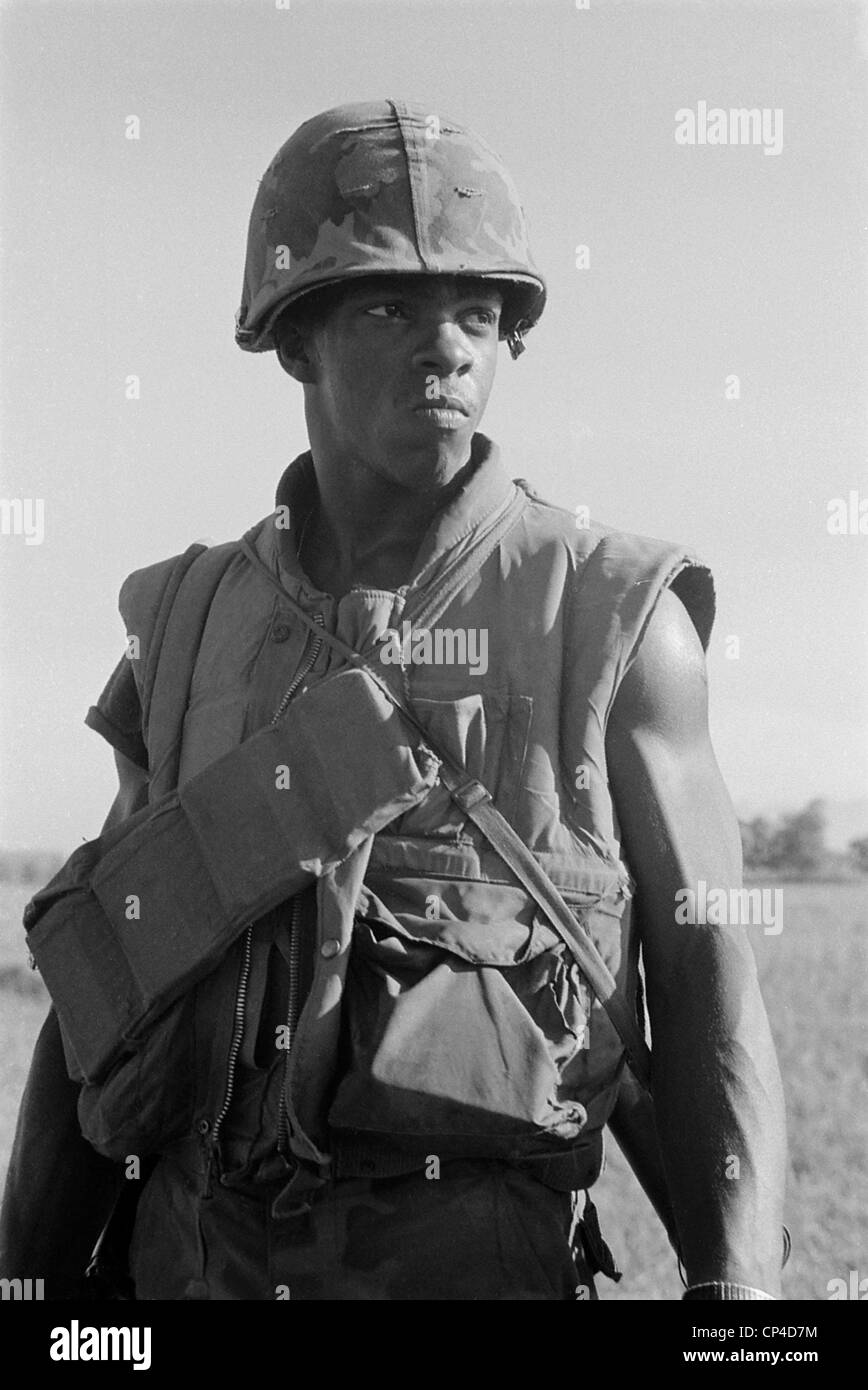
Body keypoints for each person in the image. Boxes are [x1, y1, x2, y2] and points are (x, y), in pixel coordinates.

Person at [0, 99, 786, 1302]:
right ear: (293, 339)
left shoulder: (615, 616)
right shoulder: (190, 622)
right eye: (388, 306)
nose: (448, 346)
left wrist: (740, 1311)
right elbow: (107, 986)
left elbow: (705, 986)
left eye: (478, 311)